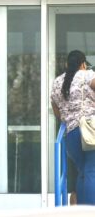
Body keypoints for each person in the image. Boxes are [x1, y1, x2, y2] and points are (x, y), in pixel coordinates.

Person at [51, 49, 95, 205]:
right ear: (83, 64)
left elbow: (55, 108)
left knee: (83, 172)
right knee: (91, 171)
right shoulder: (87, 74)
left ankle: (82, 212)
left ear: (67, 64)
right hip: (90, 131)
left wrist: (68, 118)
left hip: (71, 134)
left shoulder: (57, 82)